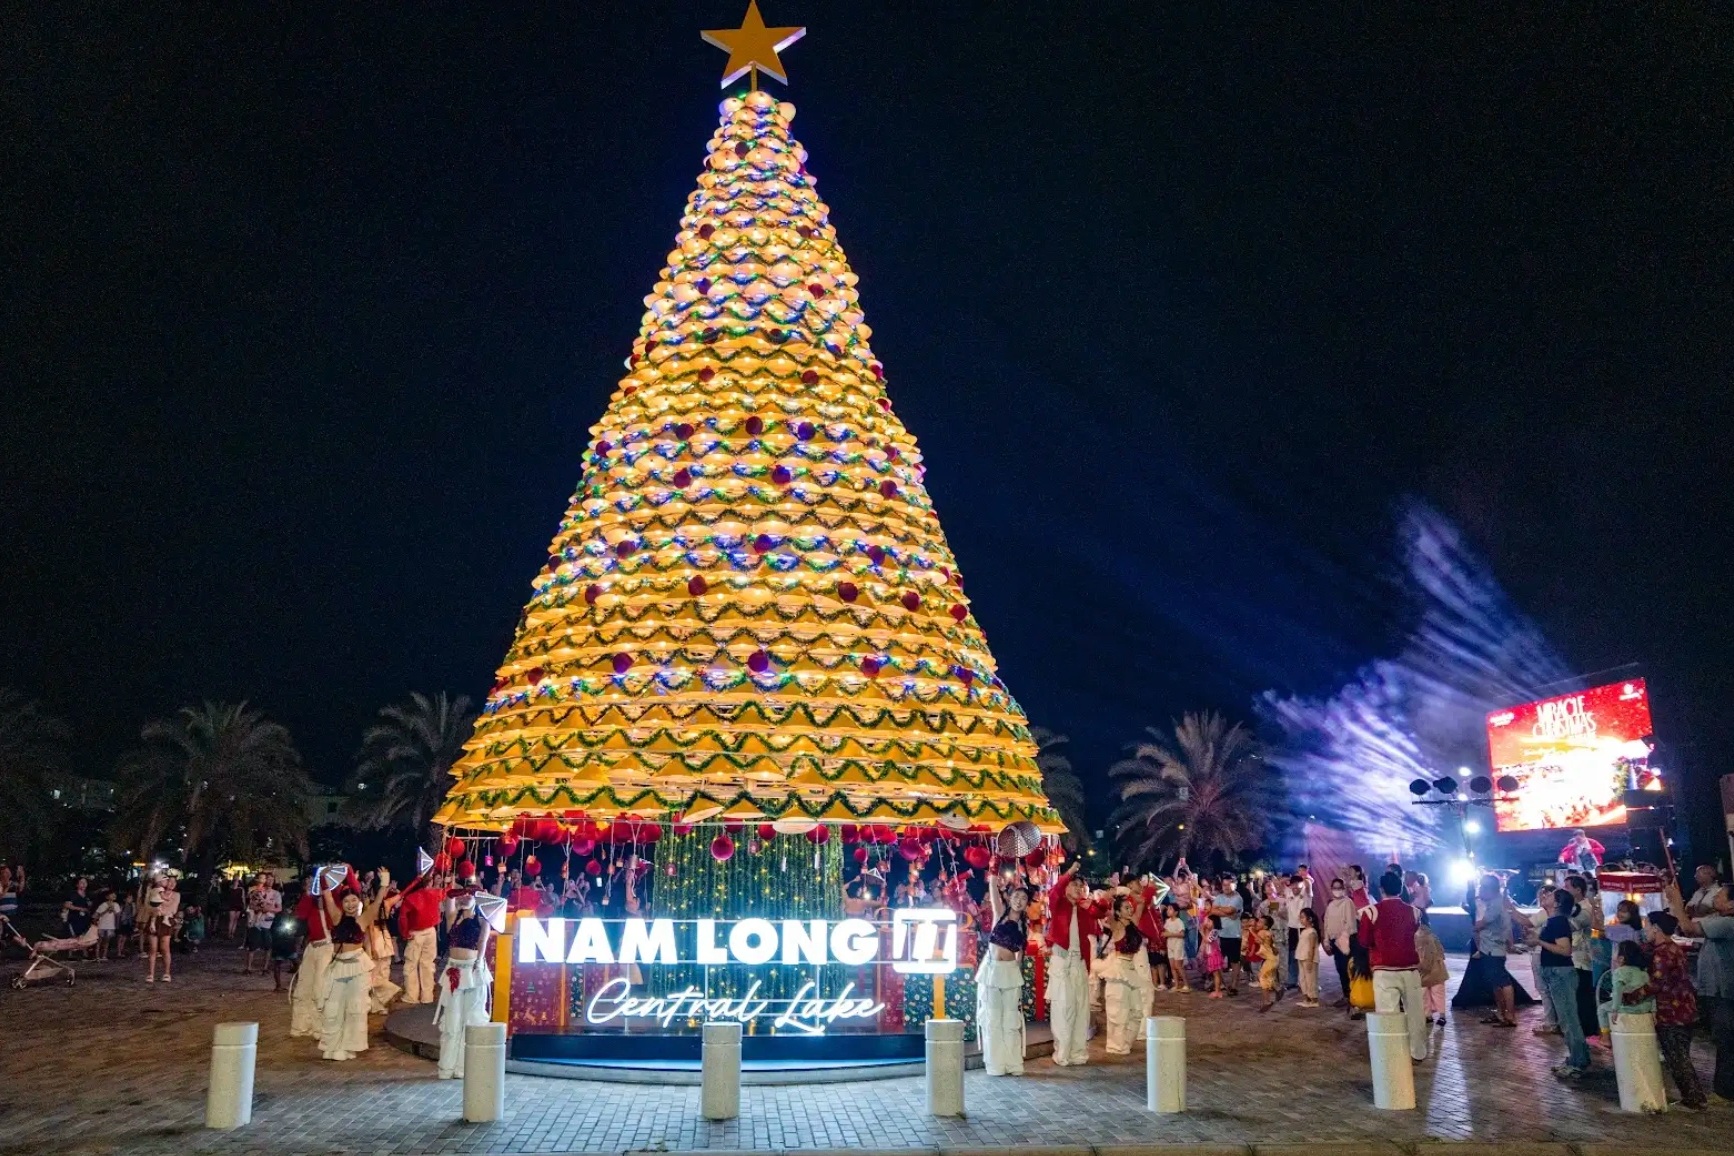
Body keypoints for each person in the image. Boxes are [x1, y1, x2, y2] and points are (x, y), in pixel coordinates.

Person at [1666, 878, 1734, 1104]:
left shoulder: (1728, 923)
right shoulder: (1718, 919)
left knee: (1725, 1040)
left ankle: (1725, 1091)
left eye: (1721, 896)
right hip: (1717, 990)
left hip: (1724, 992)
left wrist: (1676, 902)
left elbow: (1688, 928)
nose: (1715, 898)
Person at [1361, 871, 1427, 1060]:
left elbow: (1364, 941)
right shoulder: (1414, 911)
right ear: (1401, 889)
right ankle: (1418, 1051)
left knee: (1388, 1015)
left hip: (1384, 969)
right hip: (1410, 968)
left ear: (1381, 889)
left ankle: (1393, 1055)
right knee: (1415, 1012)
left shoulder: (1371, 912)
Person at [1644, 910, 1706, 1110]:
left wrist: (1631, 995)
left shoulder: (1662, 953)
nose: (1645, 929)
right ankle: (1695, 1097)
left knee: (1677, 1057)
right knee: (1681, 1055)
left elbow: (1656, 984)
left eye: (1647, 925)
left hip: (1671, 1011)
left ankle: (1694, 1099)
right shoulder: (1673, 948)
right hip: (1685, 1008)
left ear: (1656, 928)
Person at [318, 876, 382, 1061]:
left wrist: (384, 885)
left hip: (357, 967)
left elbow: (377, 904)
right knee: (333, 1007)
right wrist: (324, 877)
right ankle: (332, 1045)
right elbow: (327, 897)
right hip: (338, 966)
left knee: (355, 1008)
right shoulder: (337, 917)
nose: (350, 904)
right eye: (346, 901)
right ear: (342, 903)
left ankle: (350, 1045)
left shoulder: (362, 920)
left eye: (354, 900)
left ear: (359, 902)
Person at [434, 886, 493, 1079]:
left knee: (471, 1018)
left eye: (471, 895)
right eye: (464, 895)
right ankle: (447, 1066)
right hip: (454, 970)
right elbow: (449, 898)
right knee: (452, 1019)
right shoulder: (453, 917)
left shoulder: (482, 919)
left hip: (473, 972)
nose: (466, 897)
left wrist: (478, 962)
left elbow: (483, 941)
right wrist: (457, 892)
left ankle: (464, 1066)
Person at [975, 870, 1028, 1076]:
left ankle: (1013, 1063)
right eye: (1016, 896)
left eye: (1023, 898)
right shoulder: (999, 915)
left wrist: (1018, 975)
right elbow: (994, 892)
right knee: (993, 1019)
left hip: (1011, 974)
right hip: (992, 972)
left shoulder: (1025, 926)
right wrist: (993, 872)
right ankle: (995, 1064)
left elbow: (1020, 957)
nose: (1019, 901)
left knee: (1010, 1021)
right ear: (1010, 898)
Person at [1044, 861, 1098, 1066]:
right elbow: (1054, 892)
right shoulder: (1059, 905)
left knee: (1081, 1009)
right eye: (1074, 885)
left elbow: (1101, 911)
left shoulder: (1083, 908)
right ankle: (1062, 1052)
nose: (1078, 889)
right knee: (1063, 1008)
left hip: (1080, 963)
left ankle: (1078, 1052)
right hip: (1062, 961)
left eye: (1080, 886)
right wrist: (1069, 873)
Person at [1537, 886, 1591, 1078]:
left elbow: (1565, 950)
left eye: (1550, 895)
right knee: (1566, 1018)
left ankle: (1578, 1062)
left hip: (1561, 973)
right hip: (1555, 973)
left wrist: (1539, 942)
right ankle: (1577, 1057)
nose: (1545, 896)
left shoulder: (1559, 922)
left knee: (1569, 1020)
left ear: (1558, 903)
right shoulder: (1553, 921)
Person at [1099, 892, 1149, 1054]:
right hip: (1119, 968)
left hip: (1131, 968)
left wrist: (1130, 893)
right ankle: (1116, 1045)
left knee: (1137, 1011)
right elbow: (1104, 906)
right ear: (1118, 912)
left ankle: (1125, 1042)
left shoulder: (1132, 922)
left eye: (1130, 907)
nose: (1130, 909)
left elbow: (1141, 901)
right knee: (1118, 1012)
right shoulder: (1117, 924)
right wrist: (1113, 893)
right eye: (1126, 908)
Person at [1471, 873, 1518, 1027]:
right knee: (1496, 981)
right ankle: (1501, 1013)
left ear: (1489, 888)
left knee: (1502, 981)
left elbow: (1481, 924)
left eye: (1482, 887)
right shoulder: (1494, 902)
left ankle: (1509, 1015)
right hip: (1489, 947)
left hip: (1494, 948)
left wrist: (1474, 927)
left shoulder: (1497, 904)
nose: (1480, 891)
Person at [289, 870, 332, 1038]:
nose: (311, 884)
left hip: (327, 947)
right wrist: (308, 894)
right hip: (312, 947)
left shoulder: (331, 901)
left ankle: (320, 1027)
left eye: (314, 881)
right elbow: (300, 915)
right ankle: (302, 1025)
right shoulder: (309, 901)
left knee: (320, 989)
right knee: (303, 987)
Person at [397, 867, 447, 1005]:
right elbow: (446, 893)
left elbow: (403, 917)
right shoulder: (435, 893)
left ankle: (412, 996)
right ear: (429, 882)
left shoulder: (411, 898)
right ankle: (427, 996)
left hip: (416, 933)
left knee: (411, 964)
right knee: (427, 964)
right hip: (430, 931)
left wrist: (405, 933)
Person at [1562, 874, 1598, 1039]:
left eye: (1568, 887)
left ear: (1578, 889)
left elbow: (1569, 927)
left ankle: (1587, 1030)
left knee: (1583, 996)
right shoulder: (1573, 907)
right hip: (1575, 957)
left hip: (1584, 958)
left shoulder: (1584, 909)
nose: (1565, 890)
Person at [1598, 939, 1655, 1034]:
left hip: (1629, 1007)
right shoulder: (1643, 973)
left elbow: (1617, 991)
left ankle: (1605, 1038)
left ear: (1621, 958)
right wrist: (1653, 1010)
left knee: (1602, 1009)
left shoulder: (1619, 972)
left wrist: (1615, 1009)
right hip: (1645, 1007)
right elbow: (1651, 993)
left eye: (1616, 950)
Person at [1323, 876, 1356, 1008]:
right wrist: (1326, 939)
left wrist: (1342, 938)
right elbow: (1327, 923)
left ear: (1343, 889)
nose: (1337, 890)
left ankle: (1353, 997)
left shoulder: (1348, 903)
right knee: (1340, 969)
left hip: (1345, 941)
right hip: (1333, 941)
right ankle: (1346, 995)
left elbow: (1350, 924)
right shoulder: (1330, 905)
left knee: (1347, 968)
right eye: (1334, 888)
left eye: (1339, 888)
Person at [1209, 875, 1244, 996]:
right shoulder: (1219, 897)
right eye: (1224, 885)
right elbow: (1213, 911)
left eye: (1229, 884)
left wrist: (1222, 909)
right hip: (1220, 933)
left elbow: (1231, 910)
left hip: (1234, 934)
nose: (1226, 887)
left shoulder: (1238, 898)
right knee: (1217, 960)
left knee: (1234, 961)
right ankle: (1221, 983)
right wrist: (1228, 912)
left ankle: (1234, 985)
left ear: (1234, 885)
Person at [142, 874, 179, 983]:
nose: (171, 884)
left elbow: (173, 909)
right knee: (152, 948)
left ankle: (167, 973)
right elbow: (147, 906)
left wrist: (160, 910)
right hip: (154, 920)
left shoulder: (176, 895)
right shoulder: (154, 891)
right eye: (169, 881)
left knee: (164, 948)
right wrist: (155, 910)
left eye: (174, 882)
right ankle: (150, 974)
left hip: (166, 921)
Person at [244, 874, 282, 975]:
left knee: (268, 947)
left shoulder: (276, 894)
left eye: (272, 880)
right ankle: (248, 968)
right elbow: (251, 905)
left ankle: (265, 968)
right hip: (256, 922)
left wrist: (269, 909)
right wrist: (259, 909)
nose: (270, 881)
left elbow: (279, 908)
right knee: (252, 946)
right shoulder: (258, 891)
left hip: (268, 923)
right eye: (268, 879)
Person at [1416, 915, 1448, 1025]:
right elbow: (1441, 951)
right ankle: (1442, 1015)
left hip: (1425, 971)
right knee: (1438, 993)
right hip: (1438, 970)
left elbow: (1424, 956)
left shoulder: (1419, 936)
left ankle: (1427, 1015)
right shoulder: (1432, 935)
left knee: (1424, 994)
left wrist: (1420, 966)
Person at [1285, 869, 1313, 989]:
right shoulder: (1288, 893)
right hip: (1292, 928)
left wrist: (1304, 876)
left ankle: (1307, 982)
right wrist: (1286, 881)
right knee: (1292, 956)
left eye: (1298, 884)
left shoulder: (1306, 893)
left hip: (1304, 929)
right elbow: (1280, 883)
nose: (1295, 887)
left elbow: (1308, 883)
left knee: (1306, 956)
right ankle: (1292, 981)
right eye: (1293, 884)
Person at [1252, 914, 1282, 1012]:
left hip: (1270, 959)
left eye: (1260, 922)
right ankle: (1277, 989)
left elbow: (1258, 940)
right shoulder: (1268, 932)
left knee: (1262, 977)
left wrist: (1252, 932)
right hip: (1274, 958)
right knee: (1268, 977)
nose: (1257, 923)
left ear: (1265, 926)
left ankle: (1267, 1001)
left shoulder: (1262, 932)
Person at [1295, 907, 1321, 1007]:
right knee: (1303, 979)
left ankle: (1314, 1000)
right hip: (1301, 957)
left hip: (1308, 959)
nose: (1301, 920)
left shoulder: (1312, 932)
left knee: (1311, 979)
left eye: (1302, 917)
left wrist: (1310, 960)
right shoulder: (1304, 931)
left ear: (1309, 919)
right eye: (1300, 918)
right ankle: (1306, 998)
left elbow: (1312, 947)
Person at [1162, 902, 1190, 993]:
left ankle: (1186, 984)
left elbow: (1182, 934)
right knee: (1172, 966)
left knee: (1178, 966)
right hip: (1170, 945)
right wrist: (1167, 934)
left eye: (1170, 909)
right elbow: (1164, 933)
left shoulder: (1179, 922)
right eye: (1168, 909)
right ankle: (1176, 985)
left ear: (1176, 912)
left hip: (1178, 944)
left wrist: (1171, 934)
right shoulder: (1167, 921)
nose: (1168, 911)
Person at [1200, 914, 1226, 998]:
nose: (1207, 923)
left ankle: (1217, 991)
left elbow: (1208, 940)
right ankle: (1217, 990)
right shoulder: (1211, 931)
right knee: (1216, 974)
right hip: (1210, 954)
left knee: (1216, 974)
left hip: (1214, 955)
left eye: (1209, 921)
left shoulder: (1215, 931)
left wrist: (1201, 932)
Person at [94, 890, 121, 961]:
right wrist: (106, 910)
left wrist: (117, 925)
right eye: (111, 894)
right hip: (101, 925)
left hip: (110, 926)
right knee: (99, 941)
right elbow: (97, 915)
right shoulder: (103, 905)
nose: (114, 896)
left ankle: (104, 956)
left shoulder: (116, 905)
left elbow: (117, 915)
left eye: (114, 894)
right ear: (107, 897)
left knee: (107, 941)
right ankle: (97, 956)